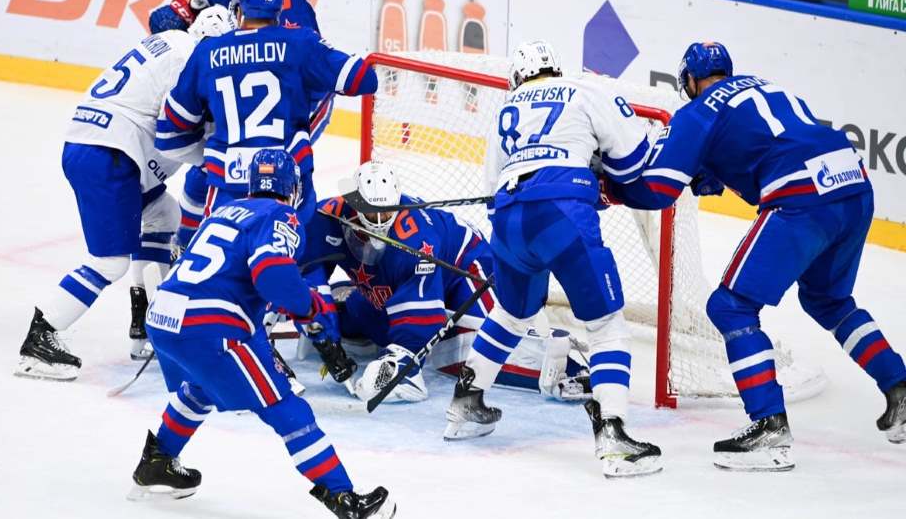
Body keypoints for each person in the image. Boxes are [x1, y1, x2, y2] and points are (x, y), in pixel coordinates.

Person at [607, 41, 906, 471]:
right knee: (828, 300)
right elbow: (762, 147)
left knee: (730, 306)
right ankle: (899, 388)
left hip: (803, 198)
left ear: (689, 80)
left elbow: (657, 189)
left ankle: (769, 427)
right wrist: (714, 173)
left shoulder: (698, 111)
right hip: (854, 184)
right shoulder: (767, 87)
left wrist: (608, 189)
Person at [128, 150, 395, 519]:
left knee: (203, 385)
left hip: (163, 318)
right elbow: (272, 274)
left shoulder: (223, 211)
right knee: (285, 406)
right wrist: (310, 307)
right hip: (210, 325)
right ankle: (342, 497)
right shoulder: (280, 215)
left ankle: (158, 460)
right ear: (292, 188)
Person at [443, 40, 663, 478]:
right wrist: (600, 179)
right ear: (555, 69)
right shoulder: (584, 88)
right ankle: (614, 435)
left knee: (511, 312)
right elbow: (633, 160)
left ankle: (465, 405)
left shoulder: (507, 107)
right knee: (605, 324)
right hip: (562, 212)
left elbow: (491, 192)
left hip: (509, 219)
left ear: (518, 78)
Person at [14, 7, 236, 380]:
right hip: (110, 155)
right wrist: (215, 158)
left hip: (97, 144)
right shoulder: (190, 62)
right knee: (110, 262)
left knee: (163, 214)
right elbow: (173, 137)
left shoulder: (171, 42)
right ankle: (41, 338)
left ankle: (146, 324)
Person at [298, 161, 583, 404]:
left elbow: (423, 320)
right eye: (371, 211)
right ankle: (355, 306)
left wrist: (404, 360)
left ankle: (567, 367)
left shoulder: (417, 240)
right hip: (388, 283)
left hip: (465, 268)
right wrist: (320, 318)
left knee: (485, 342)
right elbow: (307, 268)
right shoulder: (329, 214)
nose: (379, 218)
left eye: (385, 211)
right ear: (356, 201)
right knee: (355, 318)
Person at [155, 0, 376, 227]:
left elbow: (171, 128)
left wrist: (208, 153)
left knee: (221, 244)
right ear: (278, 11)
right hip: (289, 181)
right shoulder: (301, 42)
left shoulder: (207, 51)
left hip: (229, 181)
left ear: (239, 11)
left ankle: (185, 246)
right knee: (290, 247)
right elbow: (364, 79)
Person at [150, 0, 334, 252]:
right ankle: (187, 245)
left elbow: (316, 72)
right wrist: (177, 16)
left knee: (278, 176)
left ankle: (282, 247)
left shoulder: (293, 7)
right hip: (243, 97)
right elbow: (197, 15)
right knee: (204, 174)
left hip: (295, 106)